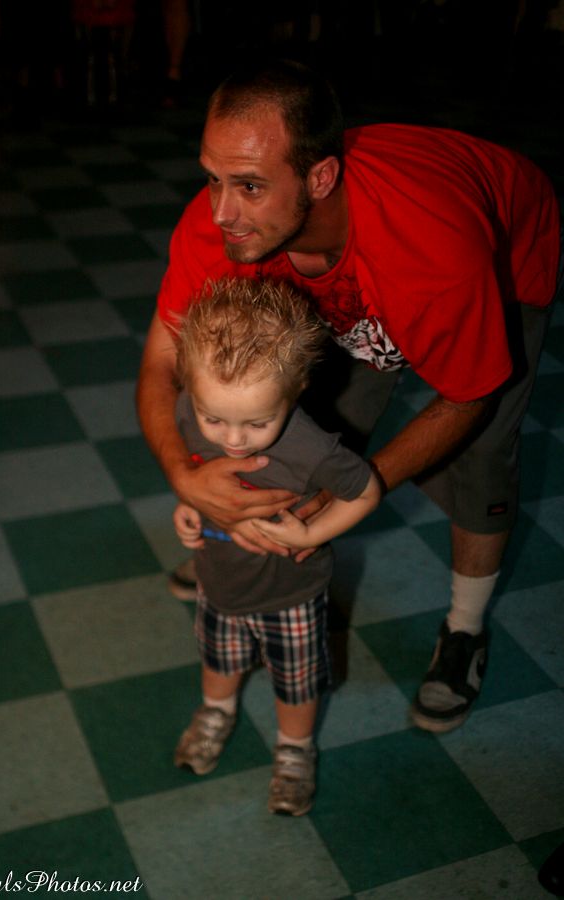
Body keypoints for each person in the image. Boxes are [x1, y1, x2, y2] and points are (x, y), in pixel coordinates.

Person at [136, 58, 561, 736]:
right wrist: (186, 479)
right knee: (305, 411)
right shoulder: (224, 228)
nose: (222, 211)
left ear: (320, 178)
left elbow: (469, 396)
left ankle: (465, 630)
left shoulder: (431, 251)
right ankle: (238, 541)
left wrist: (354, 494)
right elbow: (163, 358)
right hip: (364, 265)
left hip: (508, 250)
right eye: (213, 178)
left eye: (249, 185)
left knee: (482, 455)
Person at [170, 277, 381, 815]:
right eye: (214, 418)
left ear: (297, 390)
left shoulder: (312, 447)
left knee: (297, 683)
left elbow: (366, 491)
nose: (232, 439)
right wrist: (188, 505)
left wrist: (312, 533)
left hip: (292, 593)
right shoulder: (190, 410)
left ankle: (294, 750)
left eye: (258, 422)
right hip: (219, 579)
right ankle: (216, 711)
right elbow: (194, 469)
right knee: (219, 658)